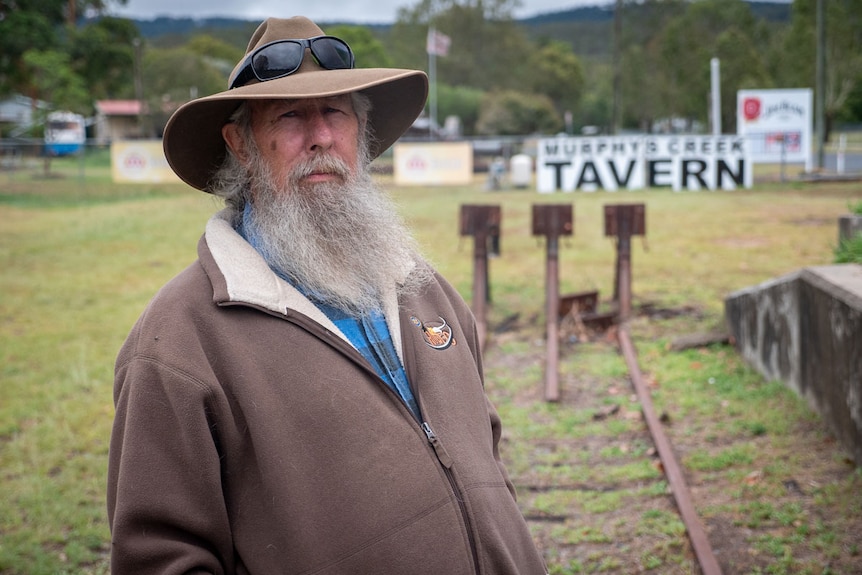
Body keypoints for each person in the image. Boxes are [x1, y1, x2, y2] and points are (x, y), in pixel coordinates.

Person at [107, 16, 548, 575]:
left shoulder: (425, 290)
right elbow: (161, 559)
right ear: (240, 143)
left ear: (360, 134)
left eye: (336, 113)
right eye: (290, 116)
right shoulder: (177, 344)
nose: (321, 137)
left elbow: (483, 455)